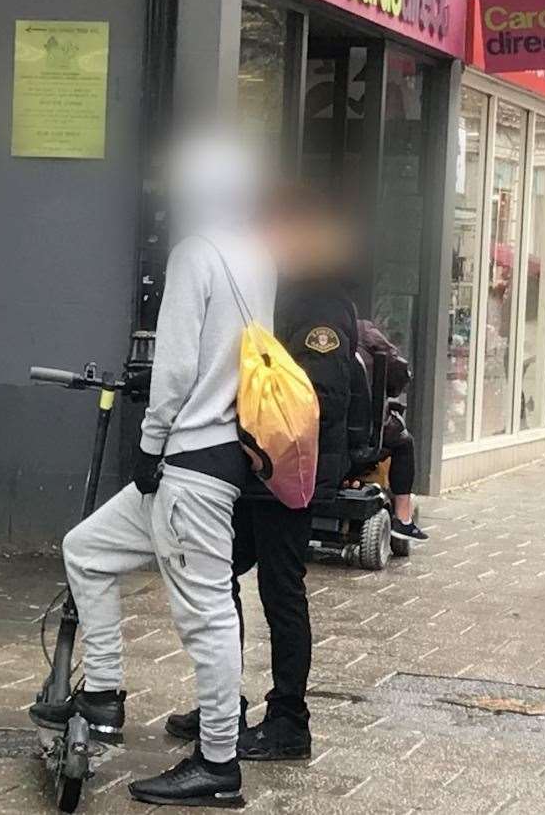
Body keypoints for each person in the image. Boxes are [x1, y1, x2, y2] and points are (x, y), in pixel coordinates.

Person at [29, 134, 272, 808]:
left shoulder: (198, 254)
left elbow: (174, 369)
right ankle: (103, 691)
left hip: (188, 460)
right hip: (214, 458)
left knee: (208, 617)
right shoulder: (257, 255)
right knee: (87, 548)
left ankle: (218, 763)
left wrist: (150, 439)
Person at [164, 187, 371, 760]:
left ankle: (289, 722)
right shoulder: (274, 288)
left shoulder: (320, 302)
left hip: (289, 472)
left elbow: (315, 394)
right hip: (258, 467)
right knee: (220, 572)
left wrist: (256, 425)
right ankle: (223, 702)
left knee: (281, 590)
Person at [357, 318, 427, 541]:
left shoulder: (302, 327)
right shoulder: (363, 331)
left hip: (314, 426)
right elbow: (397, 368)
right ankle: (403, 519)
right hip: (358, 432)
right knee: (404, 442)